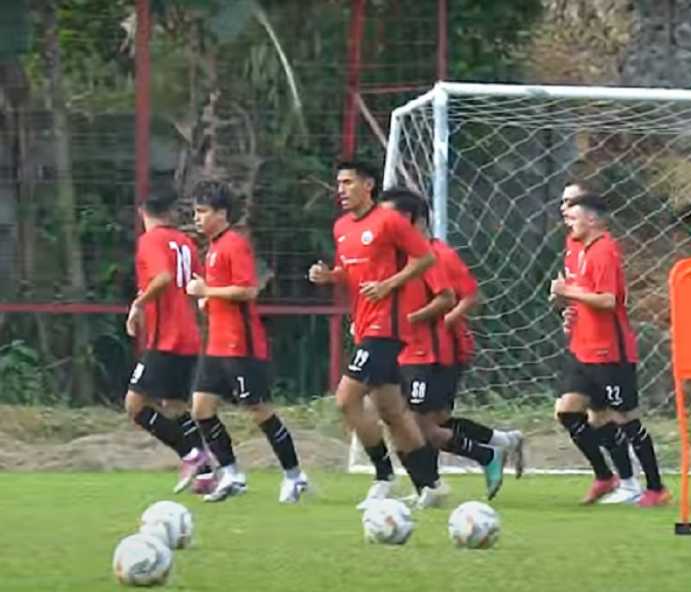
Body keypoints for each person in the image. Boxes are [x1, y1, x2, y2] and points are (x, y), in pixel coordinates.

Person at [308, 161, 444, 509]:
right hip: (365, 324)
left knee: (346, 398)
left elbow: (425, 258)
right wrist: (330, 277)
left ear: (368, 185)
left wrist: (389, 285)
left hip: (388, 325)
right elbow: (353, 272)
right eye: (338, 182)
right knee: (392, 411)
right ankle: (430, 486)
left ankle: (384, 477)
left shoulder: (389, 221)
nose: (341, 189)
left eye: (348, 182)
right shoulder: (341, 227)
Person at [376, 188, 521, 500]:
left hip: (431, 353)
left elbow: (465, 295)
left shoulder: (436, 255)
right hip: (407, 351)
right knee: (429, 423)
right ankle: (494, 445)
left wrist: (437, 322)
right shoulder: (399, 257)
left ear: (408, 219)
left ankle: (479, 458)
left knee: (416, 426)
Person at [185, 180, 309, 503]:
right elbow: (225, 295)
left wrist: (206, 292)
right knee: (201, 408)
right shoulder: (213, 249)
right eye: (195, 212)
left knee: (258, 410)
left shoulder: (233, 244)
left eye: (202, 211)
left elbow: (248, 290)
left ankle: (294, 475)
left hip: (241, 344)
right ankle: (231, 474)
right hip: (217, 344)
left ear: (221, 214)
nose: (197, 218)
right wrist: (207, 301)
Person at [550, 193, 669, 507]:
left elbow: (607, 300)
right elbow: (577, 295)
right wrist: (563, 304)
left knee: (625, 419)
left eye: (573, 216)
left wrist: (569, 291)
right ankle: (610, 478)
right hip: (581, 348)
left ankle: (655, 488)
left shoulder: (604, 250)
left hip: (609, 351)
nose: (568, 221)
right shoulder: (575, 248)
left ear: (592, 219)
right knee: (569, 412)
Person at [124, 185, 213, 492]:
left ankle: (191, 454)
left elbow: (162, 278)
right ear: (171, 212)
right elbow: (198, 284)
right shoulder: (185, 242)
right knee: (175, 406)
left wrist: (139, 304)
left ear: (142, 213)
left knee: (135, 406)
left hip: (166, 339)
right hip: (189, 336)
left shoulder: (151, 241)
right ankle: (206, 475)